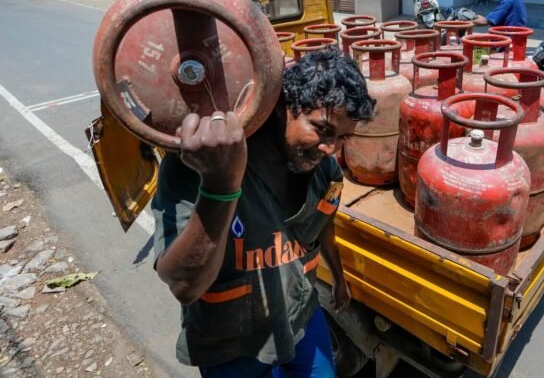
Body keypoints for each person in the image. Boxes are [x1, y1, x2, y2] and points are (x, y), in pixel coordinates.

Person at [151, 48, 376, 377]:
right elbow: (185, 285)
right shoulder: (202, 167)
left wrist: (339, 277)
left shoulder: (326, 172)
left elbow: (322, 222)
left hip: (298, 315)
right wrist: (220, 186)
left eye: (343, 138)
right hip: (230, 341)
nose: (332, 149)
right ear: (283, 108)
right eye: (323, 129)